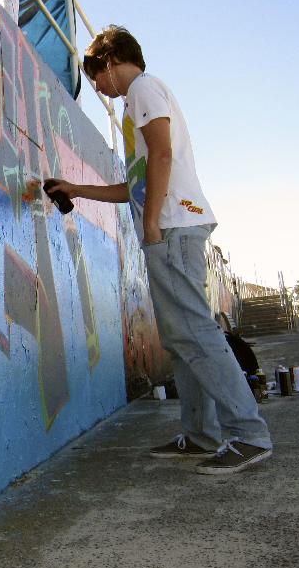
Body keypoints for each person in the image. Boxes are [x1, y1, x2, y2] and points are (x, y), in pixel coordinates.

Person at [44, 25, 272, 475]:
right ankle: (203, 434)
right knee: (182, 336)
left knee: (194, 332)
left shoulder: (143, 89)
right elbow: (134, 184)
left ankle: (248, 433)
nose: (98, 89)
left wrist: (150, 223)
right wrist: (76, 188)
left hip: (172, 228)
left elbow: (162, 156)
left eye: (95, 77)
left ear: (108, 61)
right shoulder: (139, 100)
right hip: (171, 226)